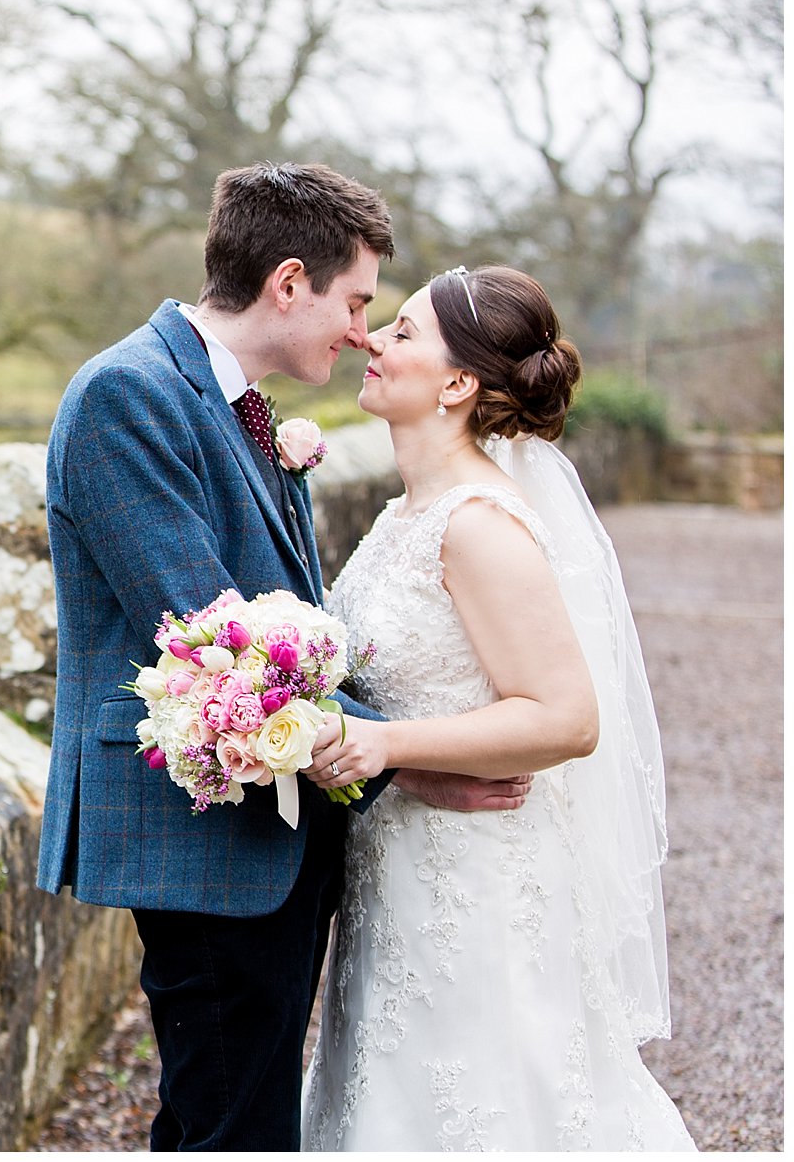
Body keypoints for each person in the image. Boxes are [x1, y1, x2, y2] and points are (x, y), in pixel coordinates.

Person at [34, 163, 528, 1152]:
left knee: (234, 1117)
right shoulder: (127, 395)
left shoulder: (235, 403)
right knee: (235, 1127)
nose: (358, 330)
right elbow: (220, 651)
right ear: (288, 282)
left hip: (270, 829)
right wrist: (410, 758)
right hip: (199, 841)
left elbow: (285, 630)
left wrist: (397, 755)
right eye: (354, 301)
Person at [301, 264, 692, 1150]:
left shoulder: (477, 523)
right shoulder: (407, 514)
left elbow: (566, 717)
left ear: (457, 384)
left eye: (403, 332)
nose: (372, 339)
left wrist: (387, 743)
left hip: (475, 881)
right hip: (396, 871)